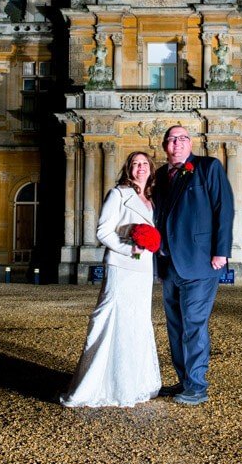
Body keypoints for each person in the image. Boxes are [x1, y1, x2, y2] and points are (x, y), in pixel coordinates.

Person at [60, 151, 162, 407]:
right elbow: (103, 231)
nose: (140, 168)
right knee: (113, 318)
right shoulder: (118, 194)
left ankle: (135, 382)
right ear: (128, 169)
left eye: (144, 164)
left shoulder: (151, 199)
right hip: (122, 265)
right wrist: (130, 249)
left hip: (143, 269)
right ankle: (104, 385)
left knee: (138, 320)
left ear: (151, 168)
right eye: (135, 164)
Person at [153, 126, 234, 406]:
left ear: (190, 143)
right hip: (170, 263)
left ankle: (197, 385)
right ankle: (184, 379)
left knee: (194, 325)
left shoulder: (208, 166)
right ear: (165, 145)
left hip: (201, 262)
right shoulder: (162, 176)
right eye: (172, 139)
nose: (177, 143)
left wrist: (221, 252)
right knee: (175, 327)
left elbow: (223, 208)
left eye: (183, 138)